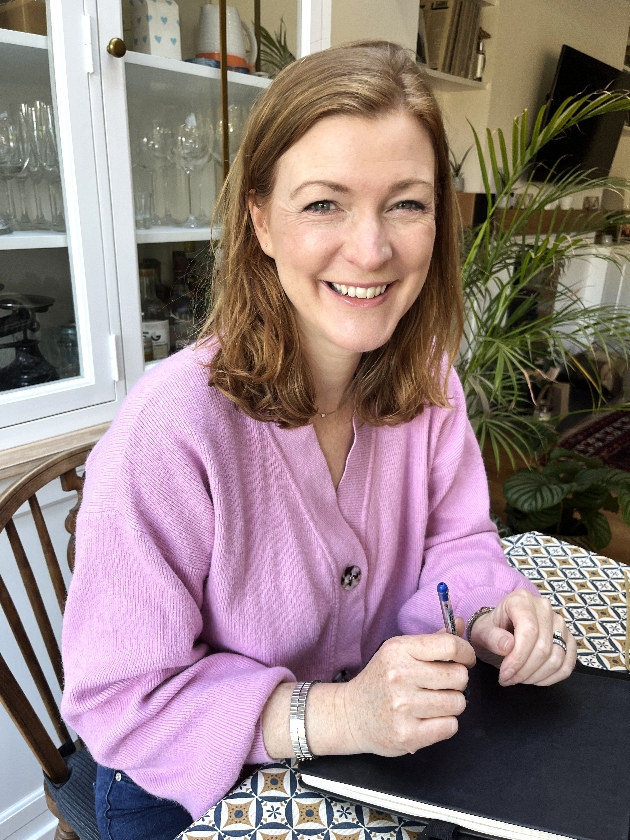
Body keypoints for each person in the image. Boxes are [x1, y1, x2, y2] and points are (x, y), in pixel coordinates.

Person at [61, 41, 577, 840]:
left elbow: (459, 540)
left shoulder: (430, 384)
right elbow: (121, 699)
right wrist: (338, 714)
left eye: (406, 203)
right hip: (186, 788)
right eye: (324, 204)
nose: (371, 250)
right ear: (260, 219)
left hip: (371, 761)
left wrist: (486, 612)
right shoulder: (169, 429)